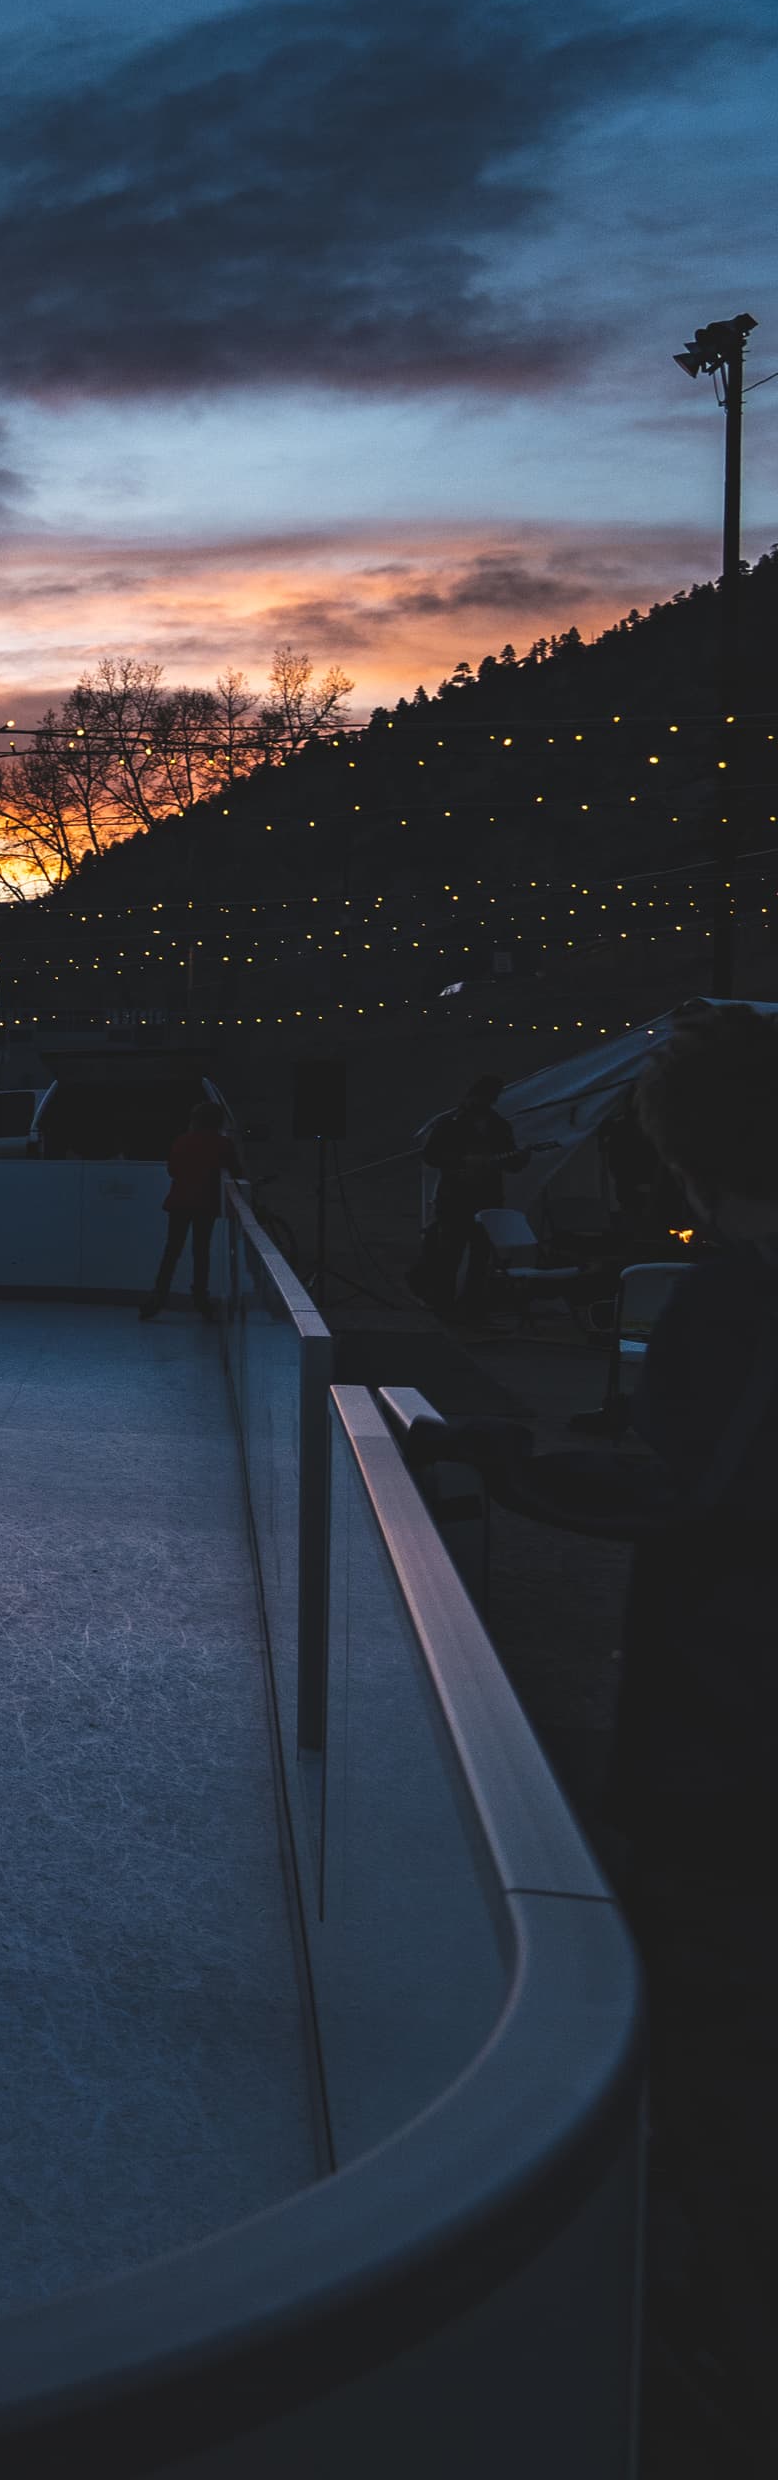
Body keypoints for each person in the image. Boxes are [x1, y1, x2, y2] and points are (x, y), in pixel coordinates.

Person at [400, 1009, 778, 2426]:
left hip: (733, 1752)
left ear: (687, 1157)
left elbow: (676, 1482)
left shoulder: (744, 1295)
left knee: (724, 2085)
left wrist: (494, 1455)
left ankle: (718, 2367)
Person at [410, 1072, 519, 1310]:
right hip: (454, 1200)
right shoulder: (450, 1123)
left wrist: (511, 1160)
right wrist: (462, 1161)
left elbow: (513, 1162)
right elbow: (431, 1155)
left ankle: (472, 1306)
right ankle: (442, 1304)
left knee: (480, 1258)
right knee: (448, 1255)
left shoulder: (499, 1126)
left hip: (487, 1201)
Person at [142, 1099, 243, 1323]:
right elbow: (236, 1170)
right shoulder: (222, 1144)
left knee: (172, 1250)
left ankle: (158, 1296)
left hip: (179, 1202)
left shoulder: (182, 1141)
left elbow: (173, 1170)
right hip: (205, 1204)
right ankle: (200, 1298)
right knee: (201, 1251)